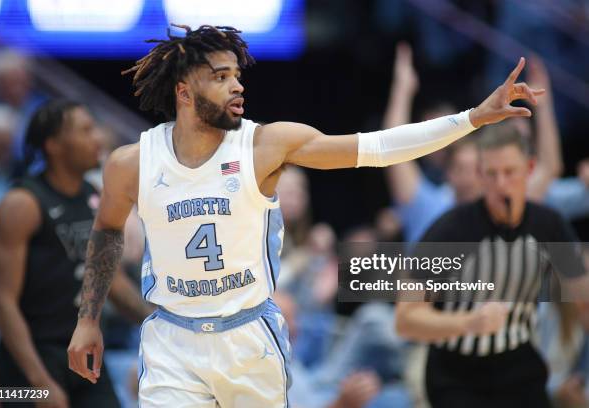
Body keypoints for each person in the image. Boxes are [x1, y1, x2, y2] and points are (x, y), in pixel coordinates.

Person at [66, 24, 544, 407]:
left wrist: (471, 118)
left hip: (247, 337)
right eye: (220, 76)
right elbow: (107, 230)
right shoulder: (132, 162)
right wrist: (88, 319)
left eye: (237, 74)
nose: (237, 85)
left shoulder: (264, 144)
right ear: (184, 91)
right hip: (172, 339)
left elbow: (376, 149)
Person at [395, 125, 588, 408]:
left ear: (530, 168)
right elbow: (406, 319)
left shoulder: (549, 226)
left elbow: (584, 300)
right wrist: (468, 323)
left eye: (510, 172)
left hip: (519, 366)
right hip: (455, 374)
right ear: (480, 175)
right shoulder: (450, 231)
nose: (501, 185)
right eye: (491, 174)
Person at [0, 100, 152, 408]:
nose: (98, 139)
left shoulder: (93, 197)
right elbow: (3, 302)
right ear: (53, 144)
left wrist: (156, 322)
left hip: (84, 350)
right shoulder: (22, 203)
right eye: (85, 130)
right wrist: (39, 383)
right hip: (28, 362)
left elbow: (111, 280)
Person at [383, 44, 564, 244]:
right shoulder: (430, 206)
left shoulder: (506, 202)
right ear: (448, 174)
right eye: (461, 168)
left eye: (475, 168)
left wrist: (543, 104)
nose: (469, 177)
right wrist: (403, 89)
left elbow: (549, 167)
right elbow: (391, 150)